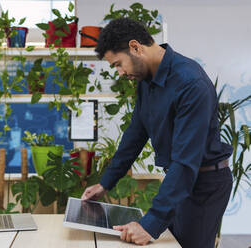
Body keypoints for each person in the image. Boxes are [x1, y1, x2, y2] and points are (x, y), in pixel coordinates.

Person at [81, 17, 233, 248]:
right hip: (179, 179)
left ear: (135, 47)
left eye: (118, 64)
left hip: (204, 185)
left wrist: (149, 225)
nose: (120, 72)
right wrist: (105, 183)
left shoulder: (191, 83)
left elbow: (185, 160)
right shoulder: (146, 80)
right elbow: (135, 134)